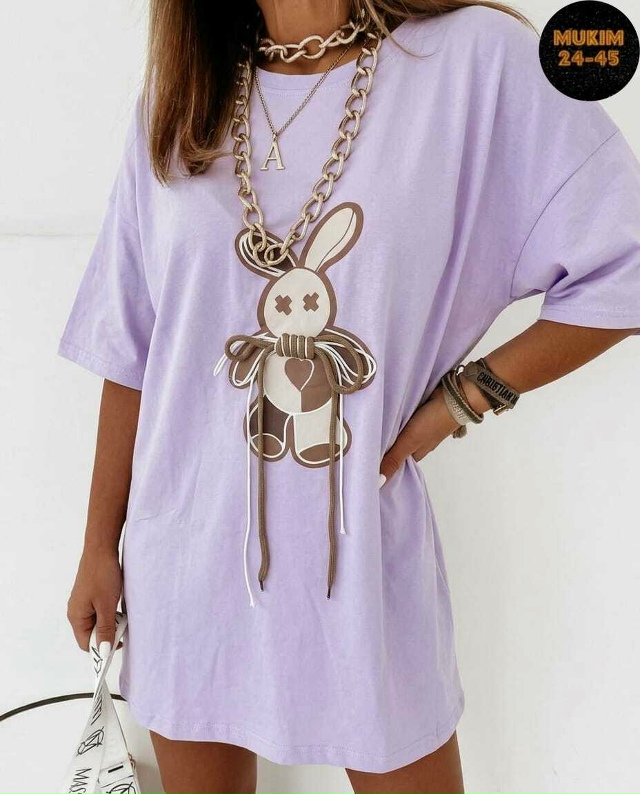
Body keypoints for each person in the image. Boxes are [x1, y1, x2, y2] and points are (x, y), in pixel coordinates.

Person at [58, 1, 640, 792]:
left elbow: (624, 265)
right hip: (185, 559)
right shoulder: (183, 93)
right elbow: (132, 347)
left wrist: (461, 402)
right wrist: (98, 543)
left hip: (360, 556)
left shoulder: (473, 63)